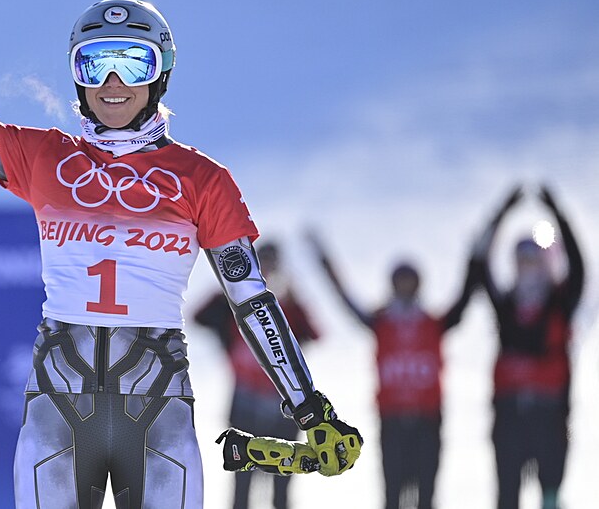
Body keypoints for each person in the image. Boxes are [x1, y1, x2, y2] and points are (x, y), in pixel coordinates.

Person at [0, 0, 362, 508]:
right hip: (58, 407)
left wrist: (309, 408)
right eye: (94, 64)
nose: (112, 82)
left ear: (161, 73)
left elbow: (253, 302)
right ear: (75, 75)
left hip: (158, 409)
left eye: (133, 64)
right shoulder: (43, 156)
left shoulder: (202, 179)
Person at [309, 231, 476, 509]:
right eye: (400, 281)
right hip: (392, 422)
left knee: (426, 497)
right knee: (392, 497)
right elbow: (346, 301)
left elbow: (466, 296)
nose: (405, 287)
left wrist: (477, 256)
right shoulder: (381, 322)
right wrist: (324, 263)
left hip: (428, 422)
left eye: (410, 281)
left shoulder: (434, 323)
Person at [472, 185, 584, 509]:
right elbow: (479, 263)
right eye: (521, 259)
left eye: (533, 259)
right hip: (509, 416)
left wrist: (558, 213)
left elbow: (578, 266)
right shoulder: (505, 307)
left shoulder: (560, 303)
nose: (527, 266)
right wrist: (501, 213)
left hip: (550, 415)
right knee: (507, 496)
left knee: (550, 496)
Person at [194, 240, 320, 509]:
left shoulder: (288, 307)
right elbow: (198, 316)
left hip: (283, 409)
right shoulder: (232, 304)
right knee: (241, 489)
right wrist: (232, 283)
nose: (268, 269)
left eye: (273, 262)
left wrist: (293, 294)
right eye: (262, 263)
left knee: (282, 490)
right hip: (245, 405)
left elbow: (316, 333)